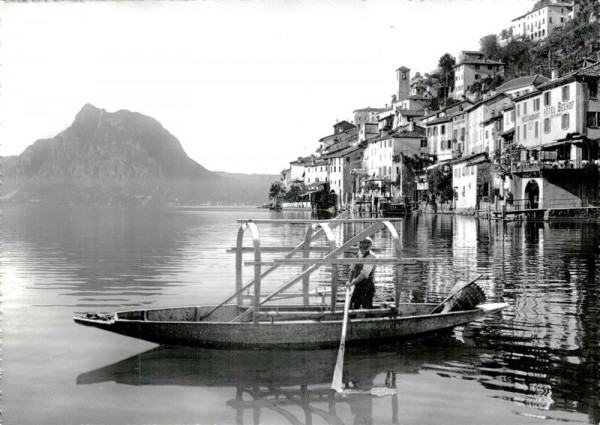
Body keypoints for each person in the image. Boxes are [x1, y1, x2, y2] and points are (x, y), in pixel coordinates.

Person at [346, 237, 377, 309]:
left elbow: (364, 274)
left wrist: (352, 283)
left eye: (365, 243)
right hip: (358, 285)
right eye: (361, 243)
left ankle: (369, 319)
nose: (362, 245)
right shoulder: (358, 254)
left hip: (367, 286)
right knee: (353, 305)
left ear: (369, 245)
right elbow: (353, 269)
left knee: (367, 307)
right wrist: (349, 281)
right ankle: (352, 319)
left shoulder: (371, 256)